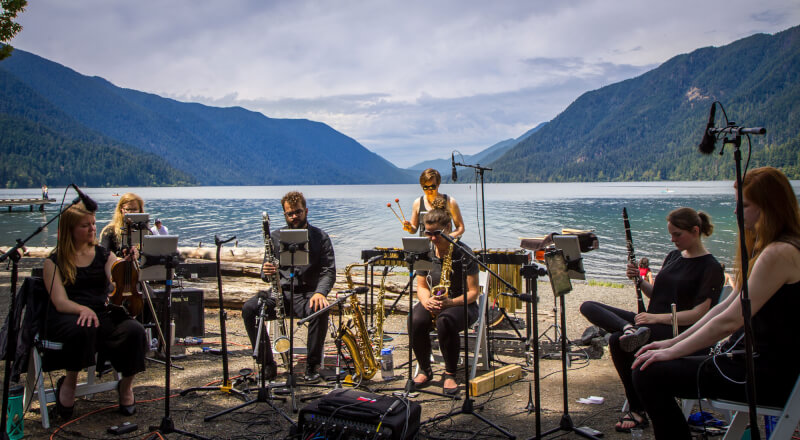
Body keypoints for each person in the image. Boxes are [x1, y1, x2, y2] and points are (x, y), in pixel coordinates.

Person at [632, 167, 800, 439]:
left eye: (743, 205)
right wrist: (673, 342)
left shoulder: (779, 253)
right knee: (651, 364)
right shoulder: (772, 247)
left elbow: (731, 320)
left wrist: (673, 351)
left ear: (769, 207)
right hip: (762, 366)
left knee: (648, 372)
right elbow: (726, 305)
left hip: (767, 376)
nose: (735, 212)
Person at [579, 207, 723, 432]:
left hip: (678, 330)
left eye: (677, 234)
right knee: (588, 306)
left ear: (695, 231)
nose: (672, 239)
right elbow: (658, 295)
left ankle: (636, 410)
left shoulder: (711, 267)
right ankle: (628, 328)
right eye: (671, 234)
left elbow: (699, 314)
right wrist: (640, 281)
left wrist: (656, 318)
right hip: (648, 324)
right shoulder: (674, 256)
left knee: (617, 342)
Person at [42, 202, 146, 419]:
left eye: (93, 224)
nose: (92, 229)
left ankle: (126, 386)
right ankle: (69, 383)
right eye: (85, 225)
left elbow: (116, 274)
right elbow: (60, 301)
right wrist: (82, 309)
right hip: (67, 315)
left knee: (135, 331)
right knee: (83, 328)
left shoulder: (104, 255)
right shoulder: (54, 261)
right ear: (70, 229)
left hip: (102, 313)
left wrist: (128, 262)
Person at [241, 191, 335, 383]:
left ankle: (312, 365)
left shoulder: (320, 237)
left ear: (306, 211)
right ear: (285, 215)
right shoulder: (275, 237)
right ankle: (267, 363)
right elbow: (264, 272)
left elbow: (328, 271)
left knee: (321, 308)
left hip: (308, 293)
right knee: (249, 309)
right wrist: (266, 271)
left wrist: (320, 292)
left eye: (298, 212)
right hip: (280, 293)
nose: (294, 217)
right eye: (290, 214)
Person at [410, 207, 480, 395]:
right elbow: (422, 287)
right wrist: (426, 302)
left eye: (437, 234)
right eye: (428, 233)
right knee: (415, 319)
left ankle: (450, 373)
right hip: (434, 300)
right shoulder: (425, 253)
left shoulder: (463, 253)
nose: (432, 238)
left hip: (462, 303)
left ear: (448, 228)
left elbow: (474, 293)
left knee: (445, 321)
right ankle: (425, 369)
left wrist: (450, 302)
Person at [403, 168, 465, 238]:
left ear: (438, 184)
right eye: (425, 187)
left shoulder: (450, 201)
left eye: (432, 187)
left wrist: (447, 238)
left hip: (444, 246)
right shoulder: (417, 203)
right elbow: (414, 230)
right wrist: (409, 227)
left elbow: (460, 227)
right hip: (424, 246)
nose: (429, 190)